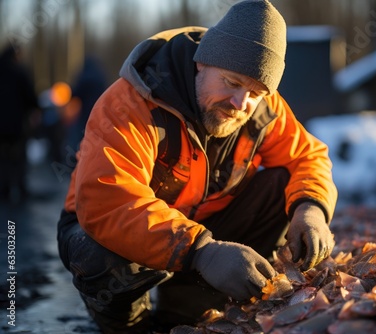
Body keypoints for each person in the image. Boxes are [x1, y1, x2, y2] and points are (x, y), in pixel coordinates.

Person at [57, 0, 338, 332]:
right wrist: (203, 251)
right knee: (97, 255)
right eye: (232, 83)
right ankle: (131, 326)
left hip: (201, 231)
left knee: (284, 184)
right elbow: (108, 200)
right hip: (109, 231)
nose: (240, 104)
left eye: (256, 93)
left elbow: (308, 156)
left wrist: (311, 208)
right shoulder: (130, 103)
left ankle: (187, 313)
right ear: (202, 62)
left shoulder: (263, 106)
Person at [0, 43, 39, 203]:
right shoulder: (20, 72)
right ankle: (20, 188)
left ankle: (4, 189)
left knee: (2, 158)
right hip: (16, 125)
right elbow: (30, 96)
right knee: (19, 157)